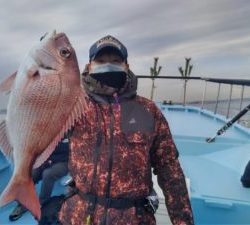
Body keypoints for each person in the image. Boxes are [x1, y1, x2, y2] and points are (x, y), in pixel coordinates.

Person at [59, 35, 194, 225]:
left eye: (115, 61)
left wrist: (183, 221)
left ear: (126, 66)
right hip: (78, 216)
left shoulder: (147, 110)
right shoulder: (72, 107)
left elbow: (169, 169)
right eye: (101, 60)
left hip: (134, 219)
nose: (108, 65)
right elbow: (42, 127)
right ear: (89, 66)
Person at [9, 136, 69, 221]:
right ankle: (23, 204)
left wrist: (50, 159)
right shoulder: (49, 127)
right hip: (48, 158)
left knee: (48, 174)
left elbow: (69, 150)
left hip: (65, 161)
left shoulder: (70, 127)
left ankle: (42, 204)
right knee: (31, 173)